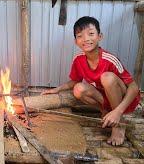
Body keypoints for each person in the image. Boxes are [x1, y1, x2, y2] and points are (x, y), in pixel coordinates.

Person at [41, 16, 140, 146]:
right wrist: (56, 89)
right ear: (76, 41)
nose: (86, 39)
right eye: (80, 36)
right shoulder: (78, 59)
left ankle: (118, 124)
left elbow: (134, 87)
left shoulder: (109, 59)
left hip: (123, 99)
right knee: (78, 89)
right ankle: (105, 111)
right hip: (105, 98)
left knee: (107, 78)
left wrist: (118, 111)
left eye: (91, 34)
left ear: (100, 36)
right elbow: (74, 81)